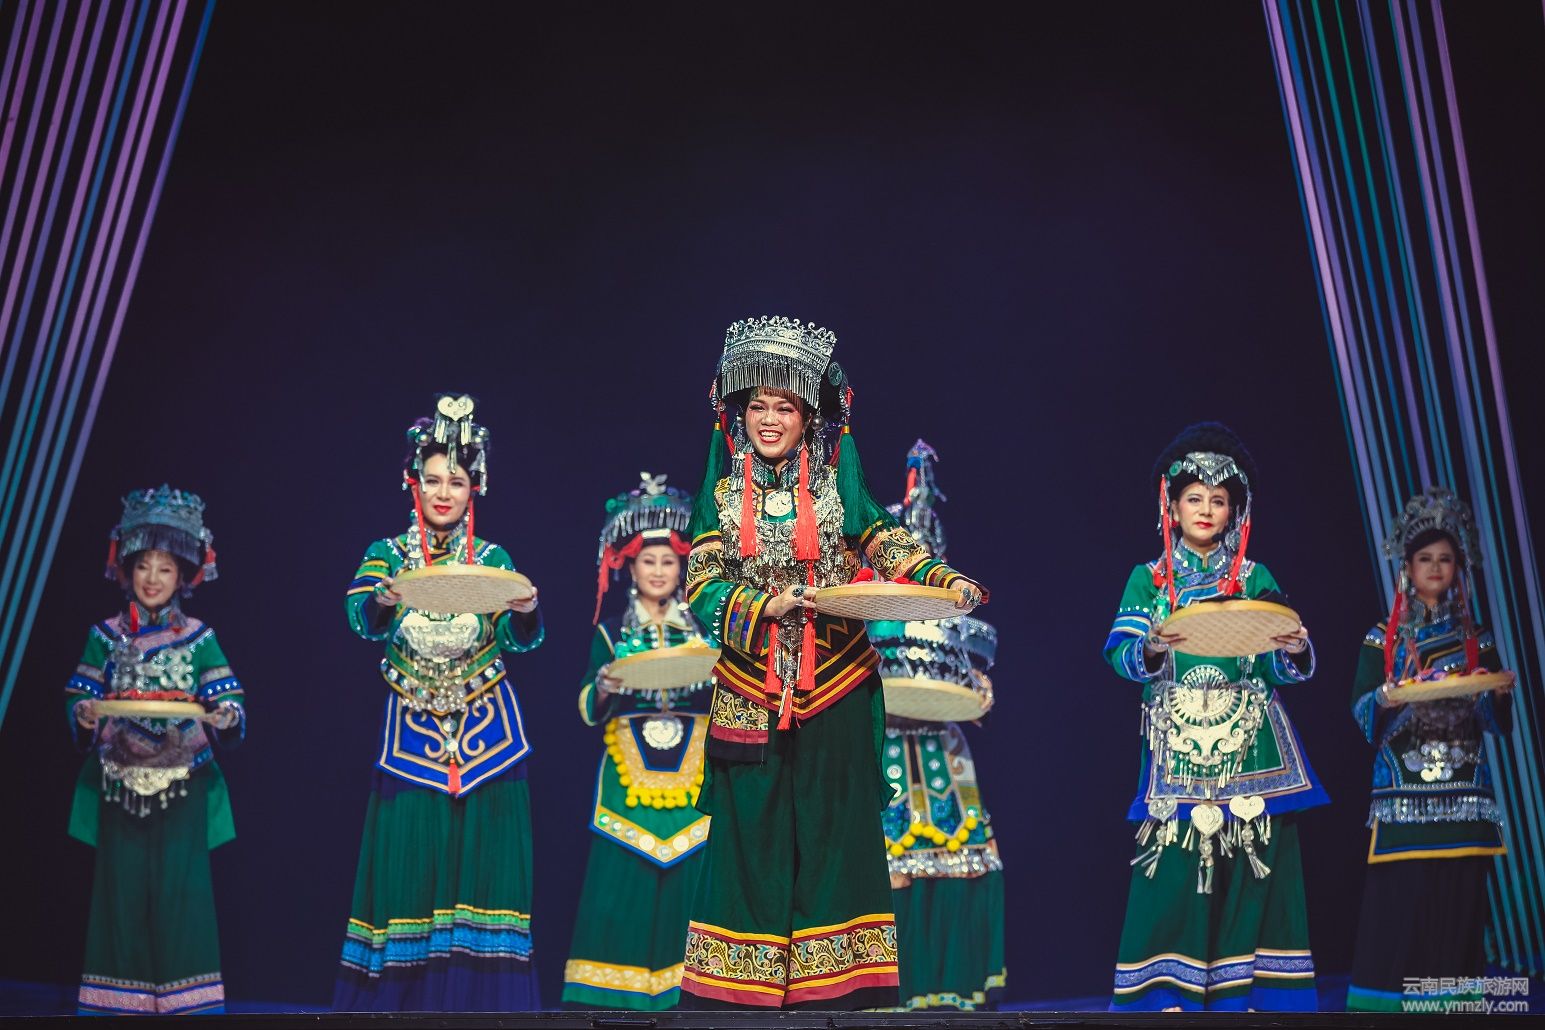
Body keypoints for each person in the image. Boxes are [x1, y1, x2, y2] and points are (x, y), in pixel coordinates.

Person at [677, 315, 984, 1010]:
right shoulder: (721, 496)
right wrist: (765, 607)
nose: (768, 419)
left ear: (808, 416)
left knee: (834, 840)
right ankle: (739, 1000)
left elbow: (887, 543)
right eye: (757, 405)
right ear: (738, 413)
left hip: (836, 686)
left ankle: (838, 999)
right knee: (750, 844)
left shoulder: (837, 487)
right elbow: (701, 583)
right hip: (749, 691)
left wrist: (944, 581)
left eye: (784, 407)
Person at [1103, 422, 1324, 1012]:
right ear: (1171, 508)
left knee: (1256, 869)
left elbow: (1279, 662)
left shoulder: (1255, 579)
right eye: (1194, 498)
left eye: (1218, 500)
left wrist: (1295, 648)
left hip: (1253, 743)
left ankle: (1250, 999)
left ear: (1235, 512)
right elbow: (1121, 654)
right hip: (1178, 744)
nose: (1205, 509)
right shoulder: (1149, 580)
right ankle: (1167, 998)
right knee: (1173, 871)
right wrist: (1151, 646)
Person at [333, 395, 544, 1011]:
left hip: (488, 738)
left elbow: (518, 638)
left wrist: (526, 612)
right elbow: (360, 616)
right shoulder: (387, 555)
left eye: (456, 481)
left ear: (474, 489)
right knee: (409, 872)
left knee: (485, 878)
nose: (444, 492)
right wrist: (384, 599)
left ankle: (481, 1008)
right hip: (413, 736)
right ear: (413, 484)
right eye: (432, 480)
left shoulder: (492, 562)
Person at [67, 485, 243, 1015]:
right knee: (118, 899)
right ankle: (114, 1007)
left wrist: (226, 715)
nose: (152, 578)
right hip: (119, 785)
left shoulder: (199, 638)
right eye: (143, 566)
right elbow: (81, 693)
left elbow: (228, 697)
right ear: (126, 569)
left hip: (182, 787)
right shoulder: (104, 636)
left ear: (183, 576)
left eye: (165, 569)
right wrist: (83, 712)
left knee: (182, 900)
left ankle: (190, 1007)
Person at [1345, 488, 1512, 1012]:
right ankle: (1385, 1009)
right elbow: (1361, 709)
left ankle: (1452, 1008)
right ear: (1407, 569)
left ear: (1458, 569)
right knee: (1401, 906)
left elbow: (1496, 721)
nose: (1435, 568)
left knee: (1459, 905)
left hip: (1465, 792)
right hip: (1404, 794)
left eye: (1445, 559)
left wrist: (1496, 693)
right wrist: (1387, 697)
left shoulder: (1477, 638)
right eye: (1425, 559)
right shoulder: (1383, 639)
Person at [562, 474, 713, 1009]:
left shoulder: (703, 629)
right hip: (628, 776)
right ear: (630, 566)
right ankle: (611, 1001)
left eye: (668, 561)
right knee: (621, 881)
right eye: (648, 561)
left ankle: (687, 998)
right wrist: (605, 686)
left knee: (691, 880)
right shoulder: (610, 632)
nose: (658, 571)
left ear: (681, 567)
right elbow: (586, 705)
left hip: (693, 771)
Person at [870, 441, 1005, 1011]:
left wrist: (980, 694)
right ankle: (889, 993)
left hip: (945, 754)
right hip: (884, 749)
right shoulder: (868, 612)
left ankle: (953, 993)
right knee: (889, 873)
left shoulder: (957, 619)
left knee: (963, 864)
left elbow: (975, 687)